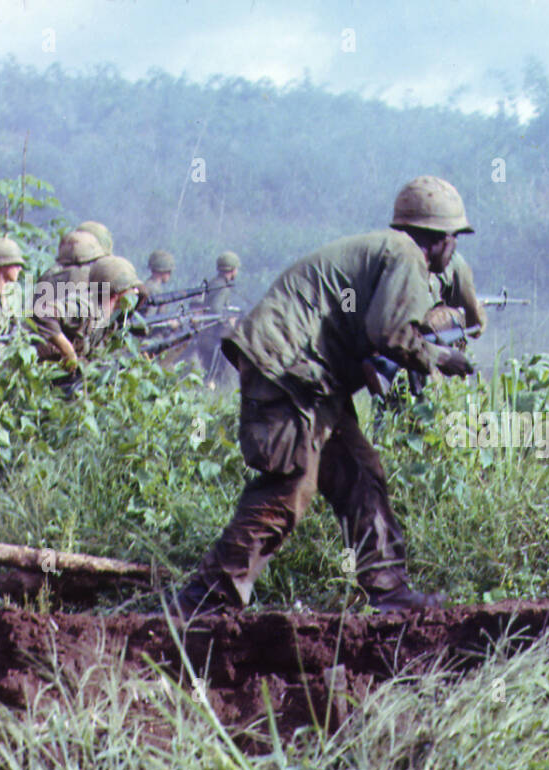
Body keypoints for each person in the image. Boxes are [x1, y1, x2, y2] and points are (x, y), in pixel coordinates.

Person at [178, 176, 477, 616]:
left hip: (310, 377)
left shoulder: (385, 252)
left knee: (360, 475)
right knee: (289, 487)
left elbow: (364, 334)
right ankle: (203, 601)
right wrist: (439, 356)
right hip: (286, 368)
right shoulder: (406, 257)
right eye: (454, 238)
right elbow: (390, 333)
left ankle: (389, 590)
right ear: (442, 239)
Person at [35, 254, 142, 372]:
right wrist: (68, 352)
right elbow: (44, 313)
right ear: (117, 292)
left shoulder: (110, 313)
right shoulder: (87, 306)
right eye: (131, 288)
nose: (135, 292)